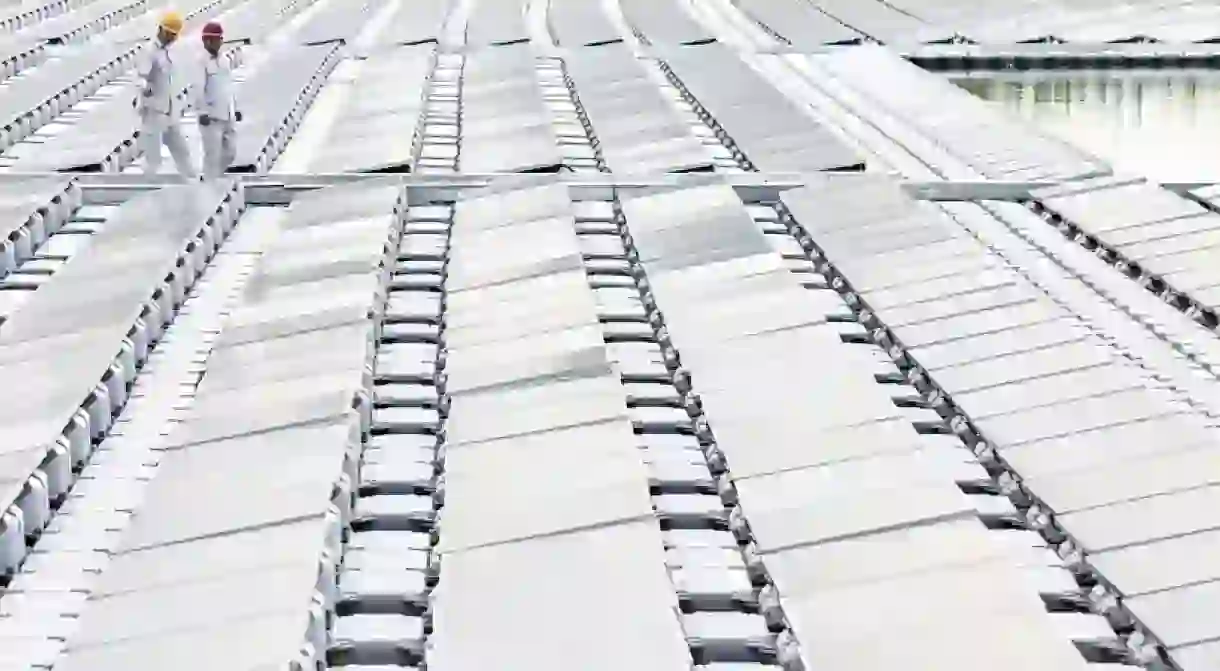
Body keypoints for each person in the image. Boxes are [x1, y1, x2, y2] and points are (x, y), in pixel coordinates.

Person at [137, 11, 196, 178]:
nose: (173, 39)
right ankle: (148, 185)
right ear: (162, 31)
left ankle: (192, 179)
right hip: (154, 111)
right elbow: (140, 77)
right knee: (153, 156)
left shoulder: (168, 52)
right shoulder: (149, 51)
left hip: (169, 110)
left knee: (181, 149)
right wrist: (145, 88)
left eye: (174, 35)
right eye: (170, 34)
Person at [197, 21, 241, 179]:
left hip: (227, 114)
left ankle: (212, 177)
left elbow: (229, 85)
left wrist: (235, 108)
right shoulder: (200, 62)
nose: (220, 42)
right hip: (211, 117)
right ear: (208, 41)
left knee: (230, 152)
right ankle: (209, 184)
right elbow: (197, 89)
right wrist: (202, 112)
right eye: (217, 39)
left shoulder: (224, 60)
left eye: (221, 39)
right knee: (212, 155)